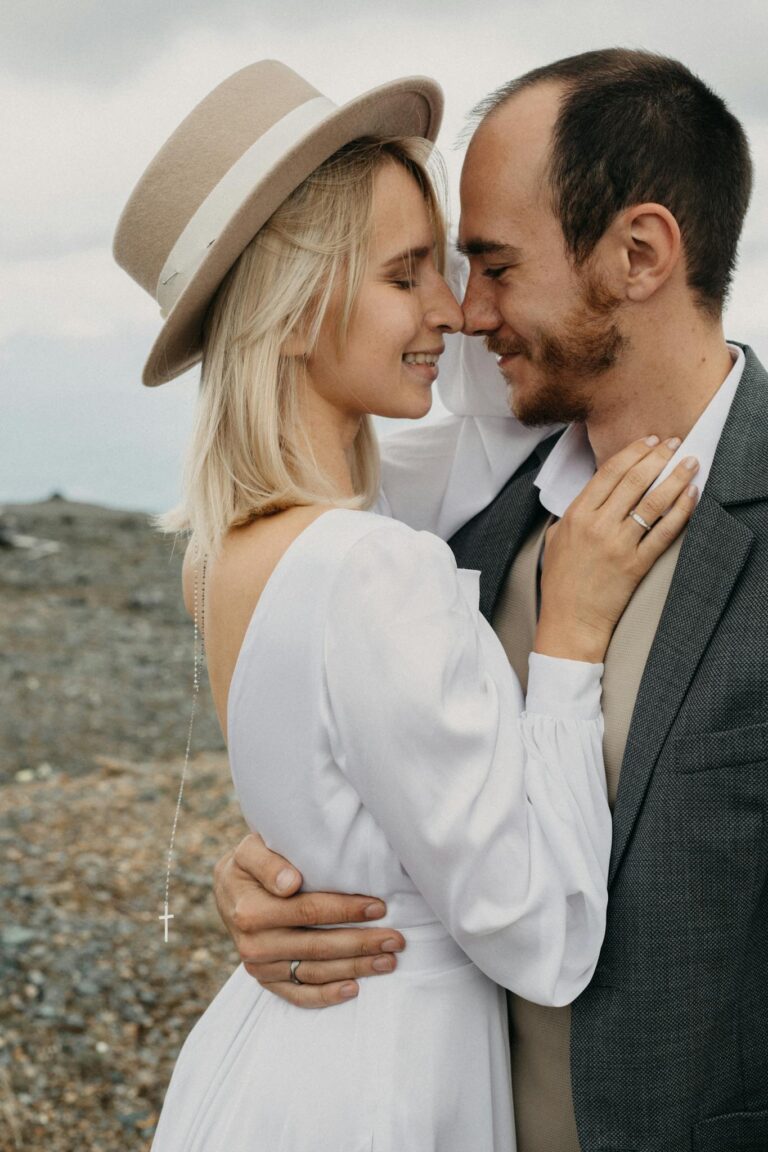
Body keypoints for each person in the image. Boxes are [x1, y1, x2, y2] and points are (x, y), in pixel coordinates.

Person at [115, 60, 696, 1151]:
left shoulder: (224, 555)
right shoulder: (376, 563)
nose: (455, 312)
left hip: (274, 1061)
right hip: (384, 1087)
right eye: (406, 273)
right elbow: (542, 936)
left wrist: (280, 858)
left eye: (459, 265)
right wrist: (567, 640)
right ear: (292, 313)